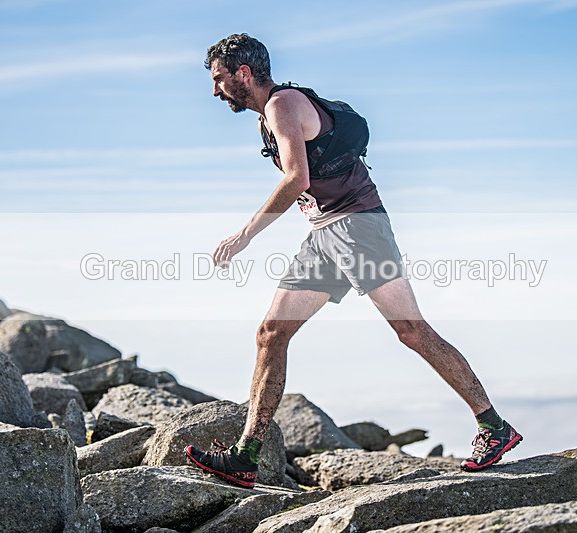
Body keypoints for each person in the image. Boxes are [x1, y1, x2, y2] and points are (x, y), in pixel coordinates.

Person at [185, 33, 522, 488]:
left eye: (219, 79)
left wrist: (246, 234)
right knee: (271, 333)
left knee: (411, 330)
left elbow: (295, 177)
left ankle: (493, 426)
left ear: (244, 73)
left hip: (359, 228)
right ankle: (247, 455)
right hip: (324, 234)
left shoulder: (283, 105)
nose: (215, 90)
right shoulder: (269, 114)